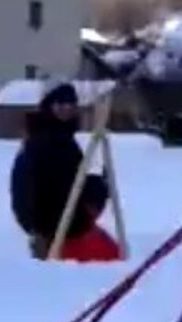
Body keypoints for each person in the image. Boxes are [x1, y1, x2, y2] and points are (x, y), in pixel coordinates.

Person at [10, 82, 122, 263]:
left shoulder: (62, 140)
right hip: (55, 231)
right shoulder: (43, 142)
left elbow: (70, 182)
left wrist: (97, 187)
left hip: (69, 225)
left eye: (71, 104)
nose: (66, 108)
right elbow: (32, 187)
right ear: (49, 106)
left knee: (113, 257)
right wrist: (39, 229)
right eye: (61, 104)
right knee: (108, 263)